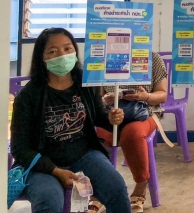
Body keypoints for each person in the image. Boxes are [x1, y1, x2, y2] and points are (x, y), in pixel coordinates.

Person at [10, 28, 131, 213]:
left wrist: (112, 118)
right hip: (42, 165)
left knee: (117, 189)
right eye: (53, 51)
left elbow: (99, 116)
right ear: (42, 58)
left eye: (67, 49)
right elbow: (20, 148)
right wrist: (55, 171)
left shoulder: (86, 84)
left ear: (75, 51)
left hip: (84, 155)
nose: (62, 55)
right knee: (49, 201)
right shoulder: (28, 96)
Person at [96, 51, 168, 212]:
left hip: (146, 112)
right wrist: (104, 101)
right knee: (100, 135)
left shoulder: (153, 58)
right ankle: (99, 190)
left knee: (132, 134)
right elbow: (98, 98)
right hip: (112, 112)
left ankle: (141, 185)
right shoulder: (104, 58)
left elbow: (162, 95)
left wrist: (145, 96)